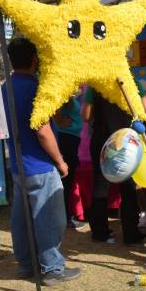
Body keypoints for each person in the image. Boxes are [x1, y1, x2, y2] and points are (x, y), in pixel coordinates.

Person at [2, 38, 81, 286]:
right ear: (35, 59)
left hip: (18, 165)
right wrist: (60, 161)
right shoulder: (36, 88)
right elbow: (42, 130)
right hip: (40, 165)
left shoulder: (5, 87)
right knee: (50, 218)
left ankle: (26, 264)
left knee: (23, 219)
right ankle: (53, 269)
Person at [81, 84, 146, 245]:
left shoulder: (96, 85)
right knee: (128, 187)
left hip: (102, 141)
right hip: (126, 142)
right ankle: (131, 233)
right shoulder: (132, 81)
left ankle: (100, 232)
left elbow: (86, 115)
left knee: (100, 186)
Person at [52, 90, 87, 230]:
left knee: (68, 181)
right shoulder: (62, 94)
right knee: (66, 180)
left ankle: (66, 216)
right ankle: (65, 218)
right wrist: (61, 121)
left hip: (71, 140)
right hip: (68, 141)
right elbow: (56, 115)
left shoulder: (71, 96)